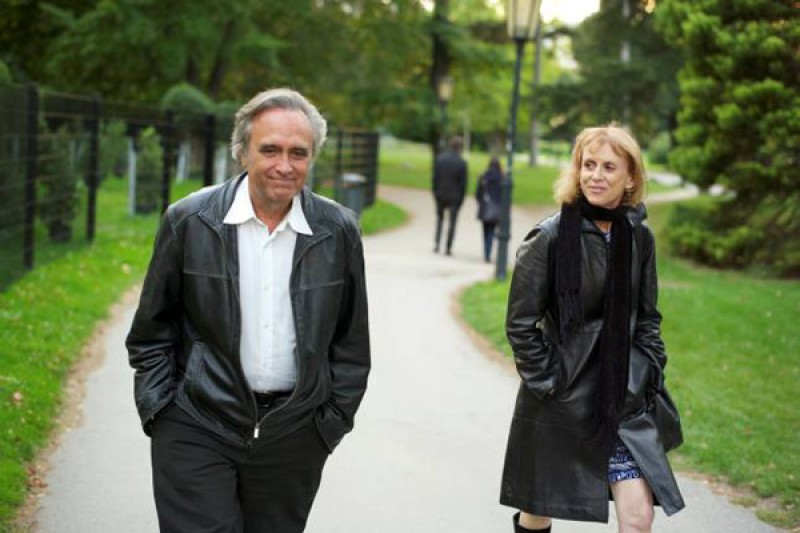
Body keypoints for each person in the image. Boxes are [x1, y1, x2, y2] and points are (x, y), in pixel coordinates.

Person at [126, 88, 370, 533]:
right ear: (242, 152)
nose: (284, 165)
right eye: (270, 149)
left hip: (294, 435)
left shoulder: (338, 231)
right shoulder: (189, 221)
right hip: (196, 423)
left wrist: (329, 425)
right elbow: (150, 332)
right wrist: (161, 411)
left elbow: (351, 343)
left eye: (299, 152)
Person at [499, 125, 684, 533]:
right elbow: (520, 325)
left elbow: (648, 316)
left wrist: (647, 369)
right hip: (559, 399)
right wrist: (550, 383)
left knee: (637, 517)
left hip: (622, 397)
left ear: (630, 177)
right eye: (588, 164)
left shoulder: (639, 235)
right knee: (538, 510)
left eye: (608, 167)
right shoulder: (548, 238)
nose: (595, 175)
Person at [432, 135, 468, 255]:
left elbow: (435, 178)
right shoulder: (462, 163)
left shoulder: (440, 159)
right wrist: (461, 199)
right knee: (452, 222)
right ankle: (448, 247)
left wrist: (435, 192)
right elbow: (463, 185)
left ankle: (437, 244)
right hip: (454, 197)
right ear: (460, 148)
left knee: (440, 220)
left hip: (441, 194)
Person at [475, 157, 503, 263]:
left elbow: (478, 194)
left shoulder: (483, 177)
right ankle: (488, 253)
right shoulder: (502, 178)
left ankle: (486, 252)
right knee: (492, 231)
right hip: (496, 209)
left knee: (485, 231)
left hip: (485, 208)